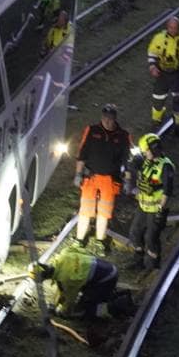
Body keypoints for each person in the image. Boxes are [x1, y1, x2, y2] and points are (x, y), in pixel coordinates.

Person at [74, 103, 131, 255]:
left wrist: (127, 180)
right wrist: (78, 174)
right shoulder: (92, 131)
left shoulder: (123, 136)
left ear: (115, 119)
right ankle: (79, 239)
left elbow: (127, 160)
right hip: (90, 178)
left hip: (110, 180)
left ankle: (100, 240)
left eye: (110, 119)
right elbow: (82, 154)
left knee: (104, 213)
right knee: (85, 210)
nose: (106, 121)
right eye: (105, 118)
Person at [128, 133, 175, 269]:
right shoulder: (147, 161)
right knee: (135, 233)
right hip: (143, 207)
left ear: (153, 149)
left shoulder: (166, 166)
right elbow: (133, 166)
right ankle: (139, 259)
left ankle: (152, 265)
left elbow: (167, 190)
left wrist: (161, 210)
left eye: (146, 151)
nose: (144, 153)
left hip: (156, 210)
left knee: (151, 238)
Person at [33, 248, 119, 319]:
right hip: (107, 267)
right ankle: (107, 296)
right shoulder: (62, 256)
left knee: (88, 310)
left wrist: (62, 312)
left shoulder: (67, 279)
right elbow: (61, 288)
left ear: (44, 276)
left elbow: (70, 299)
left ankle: (115, 306)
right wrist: (54, 304)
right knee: (85, 293)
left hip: (107, 278)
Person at [146, 16, 179, 131]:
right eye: (171, 28)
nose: (173, 30)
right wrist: (152, 67)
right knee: (158, 98)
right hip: (162, 73)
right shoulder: (158, 39)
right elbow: (152, 53)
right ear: (167, 28)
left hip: (178, 73)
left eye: (175, 28)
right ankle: (156, 119)